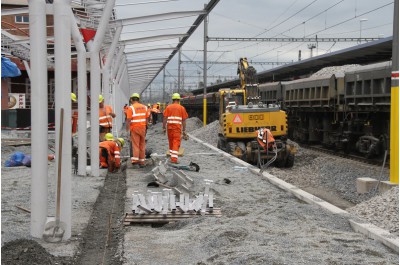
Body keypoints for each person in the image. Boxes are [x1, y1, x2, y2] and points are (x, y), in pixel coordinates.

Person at [162, 93, 188, 164]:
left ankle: (171, 155)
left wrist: (163, 127)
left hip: (169, 128)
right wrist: (184, 130)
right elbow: (184, 120)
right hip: (177, 128)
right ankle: (174, 159)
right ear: (179, 100)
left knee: (171, 141)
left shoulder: (168, 107)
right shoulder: (181, 108)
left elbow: (164, 118)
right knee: (176, 142)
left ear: (172, 99)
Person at [125, 93, 149, 168]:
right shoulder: (145, 107)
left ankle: (135, 161)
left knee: (135, 144)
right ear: (138, 99)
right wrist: (146, 127)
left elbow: (128, 120)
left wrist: (127, 129)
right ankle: (142, 161)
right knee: (142, 144)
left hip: (135, 128)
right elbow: (147, 119)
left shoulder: (130, 108)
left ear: (132, 99)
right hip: (143, 127)